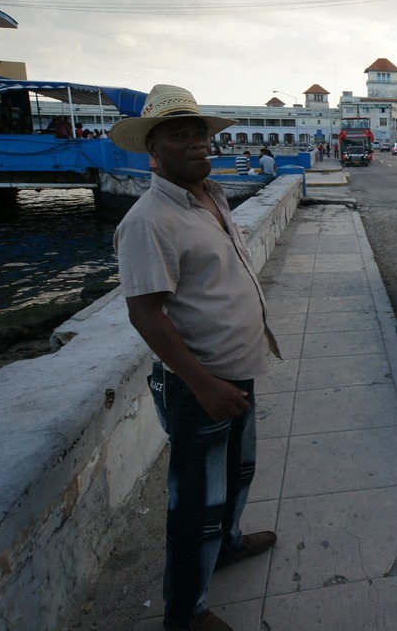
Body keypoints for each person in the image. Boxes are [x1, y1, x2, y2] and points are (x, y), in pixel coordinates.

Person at [110, 85, 280, 631]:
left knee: (237, 472)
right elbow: (147, 315)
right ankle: (184, 614)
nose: (195, 143)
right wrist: (204, 385)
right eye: (178, 135)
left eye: (199, 133)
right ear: (152, 150)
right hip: (199, 384)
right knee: (193, 505)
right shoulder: (147, 220)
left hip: (238, 369)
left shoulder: (211, 196)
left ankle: (227, 545)